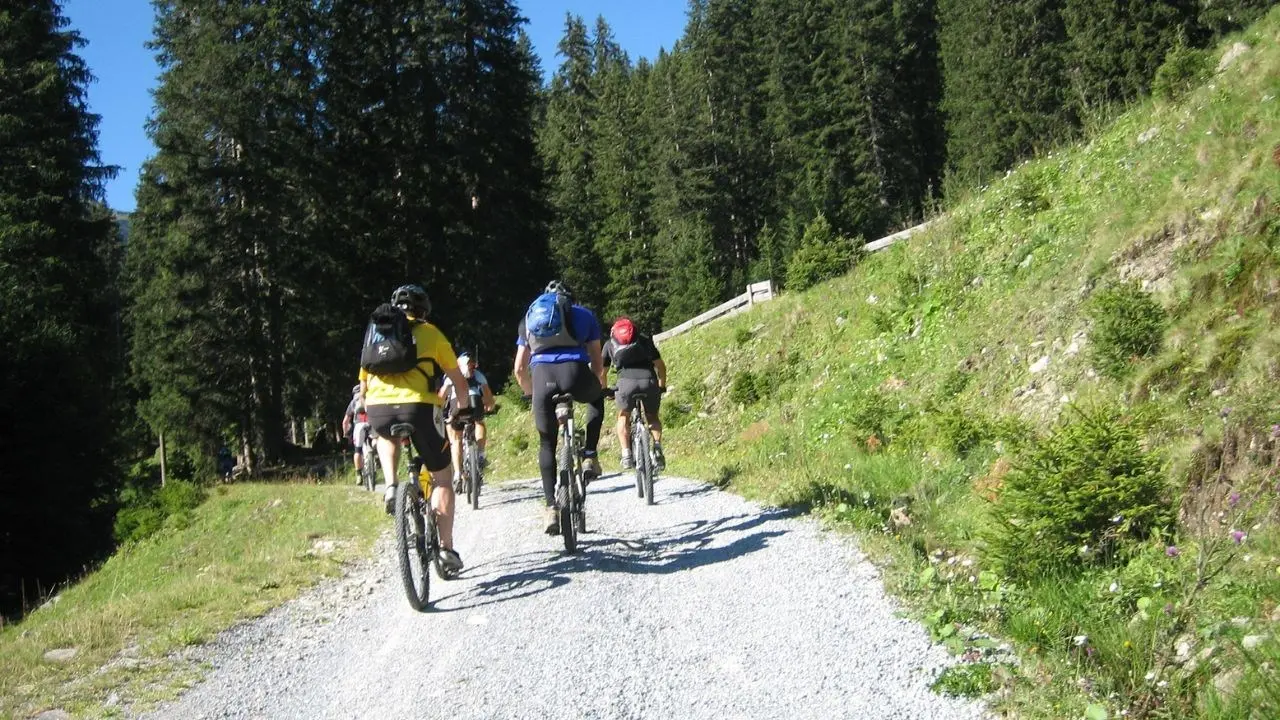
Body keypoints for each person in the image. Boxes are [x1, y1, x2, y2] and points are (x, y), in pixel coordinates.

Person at [359, 284, 472, 572]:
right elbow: (458, 380)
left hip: (378, 409)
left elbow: (363, 384)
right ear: (423, 311)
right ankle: (446, 549)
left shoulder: (375, 333)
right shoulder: (430, 333)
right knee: (443, 479)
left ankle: (391, 485)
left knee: (385, 435)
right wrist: (460, 408)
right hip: (419, 408)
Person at [513, 280, 605, 535]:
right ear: (569, 300)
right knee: (596, 398)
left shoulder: (529, 320)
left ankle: (551, 507)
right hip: (575, 373)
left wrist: (531, 394)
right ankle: (588, 455)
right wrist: (597, 383)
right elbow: (597, 360)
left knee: (546, 443)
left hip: (542, 378)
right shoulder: (585, 315)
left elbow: (519, 369)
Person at [603, 316, 667, 471]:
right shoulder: (644, 340)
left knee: (623, 416)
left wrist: (605, 390)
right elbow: (660, 366)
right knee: (652, 416)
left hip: (625, 384)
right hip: (648, 381)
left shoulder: (609, 344)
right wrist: (661, 385)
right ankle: (657, 447)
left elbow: (602, 373)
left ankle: (626, 454)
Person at [439, 352, 496, 485]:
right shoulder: (477, 374)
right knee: (479, 422)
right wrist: (489, 404)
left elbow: (442, 395)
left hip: (456, 403)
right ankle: (481, 454)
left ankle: (458, 474)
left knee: (456, 440)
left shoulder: (452, 374)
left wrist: (439, 409)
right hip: (475, 401)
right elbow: (488, 395)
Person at [340, 384, 372, 481]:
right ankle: (375, 456)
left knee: (357, 450)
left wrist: (345, 433)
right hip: (372, 423)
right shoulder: (370, 397)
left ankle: (358, 475)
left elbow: (345, 422)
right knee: (377, 442)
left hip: (359, 426)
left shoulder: (353, 402)